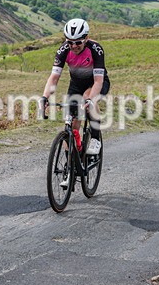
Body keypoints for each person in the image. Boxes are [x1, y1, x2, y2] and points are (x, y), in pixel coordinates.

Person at [41, 18, 109, 171]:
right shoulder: (63, 50)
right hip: (76, 84)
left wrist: (91, 99)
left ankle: (96, 138)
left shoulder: (96, 49)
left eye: (78, 42)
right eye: (70, 42)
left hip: (96, 82)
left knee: (86, 98)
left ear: (86, 38)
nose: (73, 46)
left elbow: (98, 81)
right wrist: (45, 97)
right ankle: (71, 161)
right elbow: (54, 78)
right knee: (71, 124)